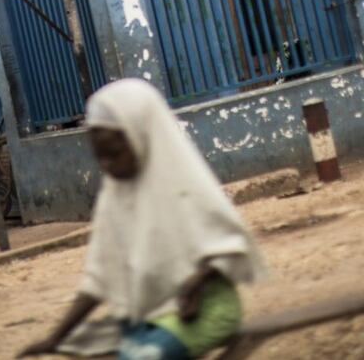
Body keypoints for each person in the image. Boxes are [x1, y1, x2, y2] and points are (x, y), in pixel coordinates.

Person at [19, 79, 265, 360]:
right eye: (101, 158)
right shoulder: (114, 197)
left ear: (141, 134)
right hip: (148, 317)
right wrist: (54, 338)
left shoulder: (185, 185)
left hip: (206, 310)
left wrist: (198, 281)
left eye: (114, 154)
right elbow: (100, 277)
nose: (108, 166)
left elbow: (232, 246)